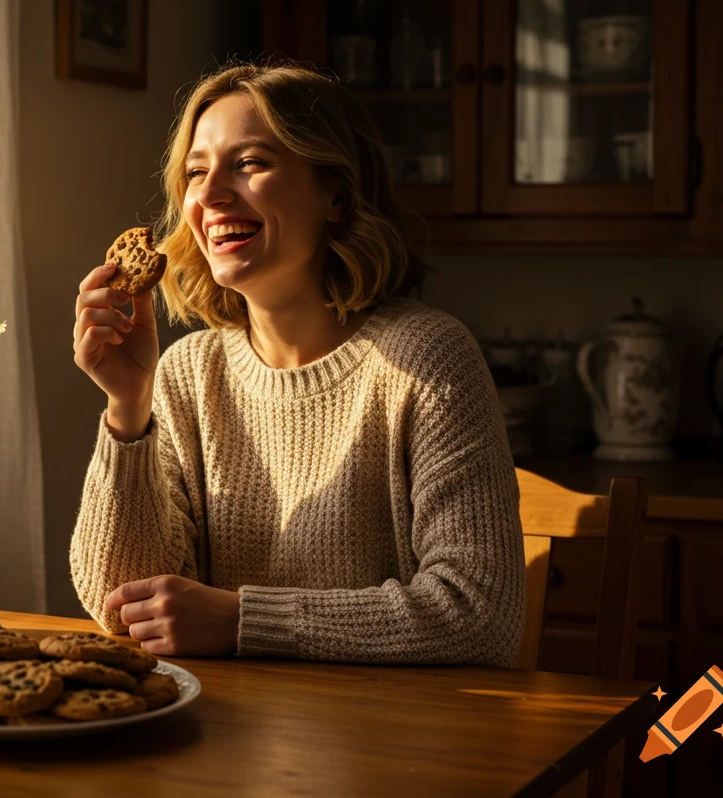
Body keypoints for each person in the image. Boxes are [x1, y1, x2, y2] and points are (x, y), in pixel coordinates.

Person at [70, 60, 524, 666]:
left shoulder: (427, 359)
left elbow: (481, 615)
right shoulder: (186, 374)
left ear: (335, 194)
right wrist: (128, 408)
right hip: (225, 735)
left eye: (250, 163)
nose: (207, 196)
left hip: (391, 744)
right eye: (196, 172)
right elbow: (121, 605)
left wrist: (243, 620)